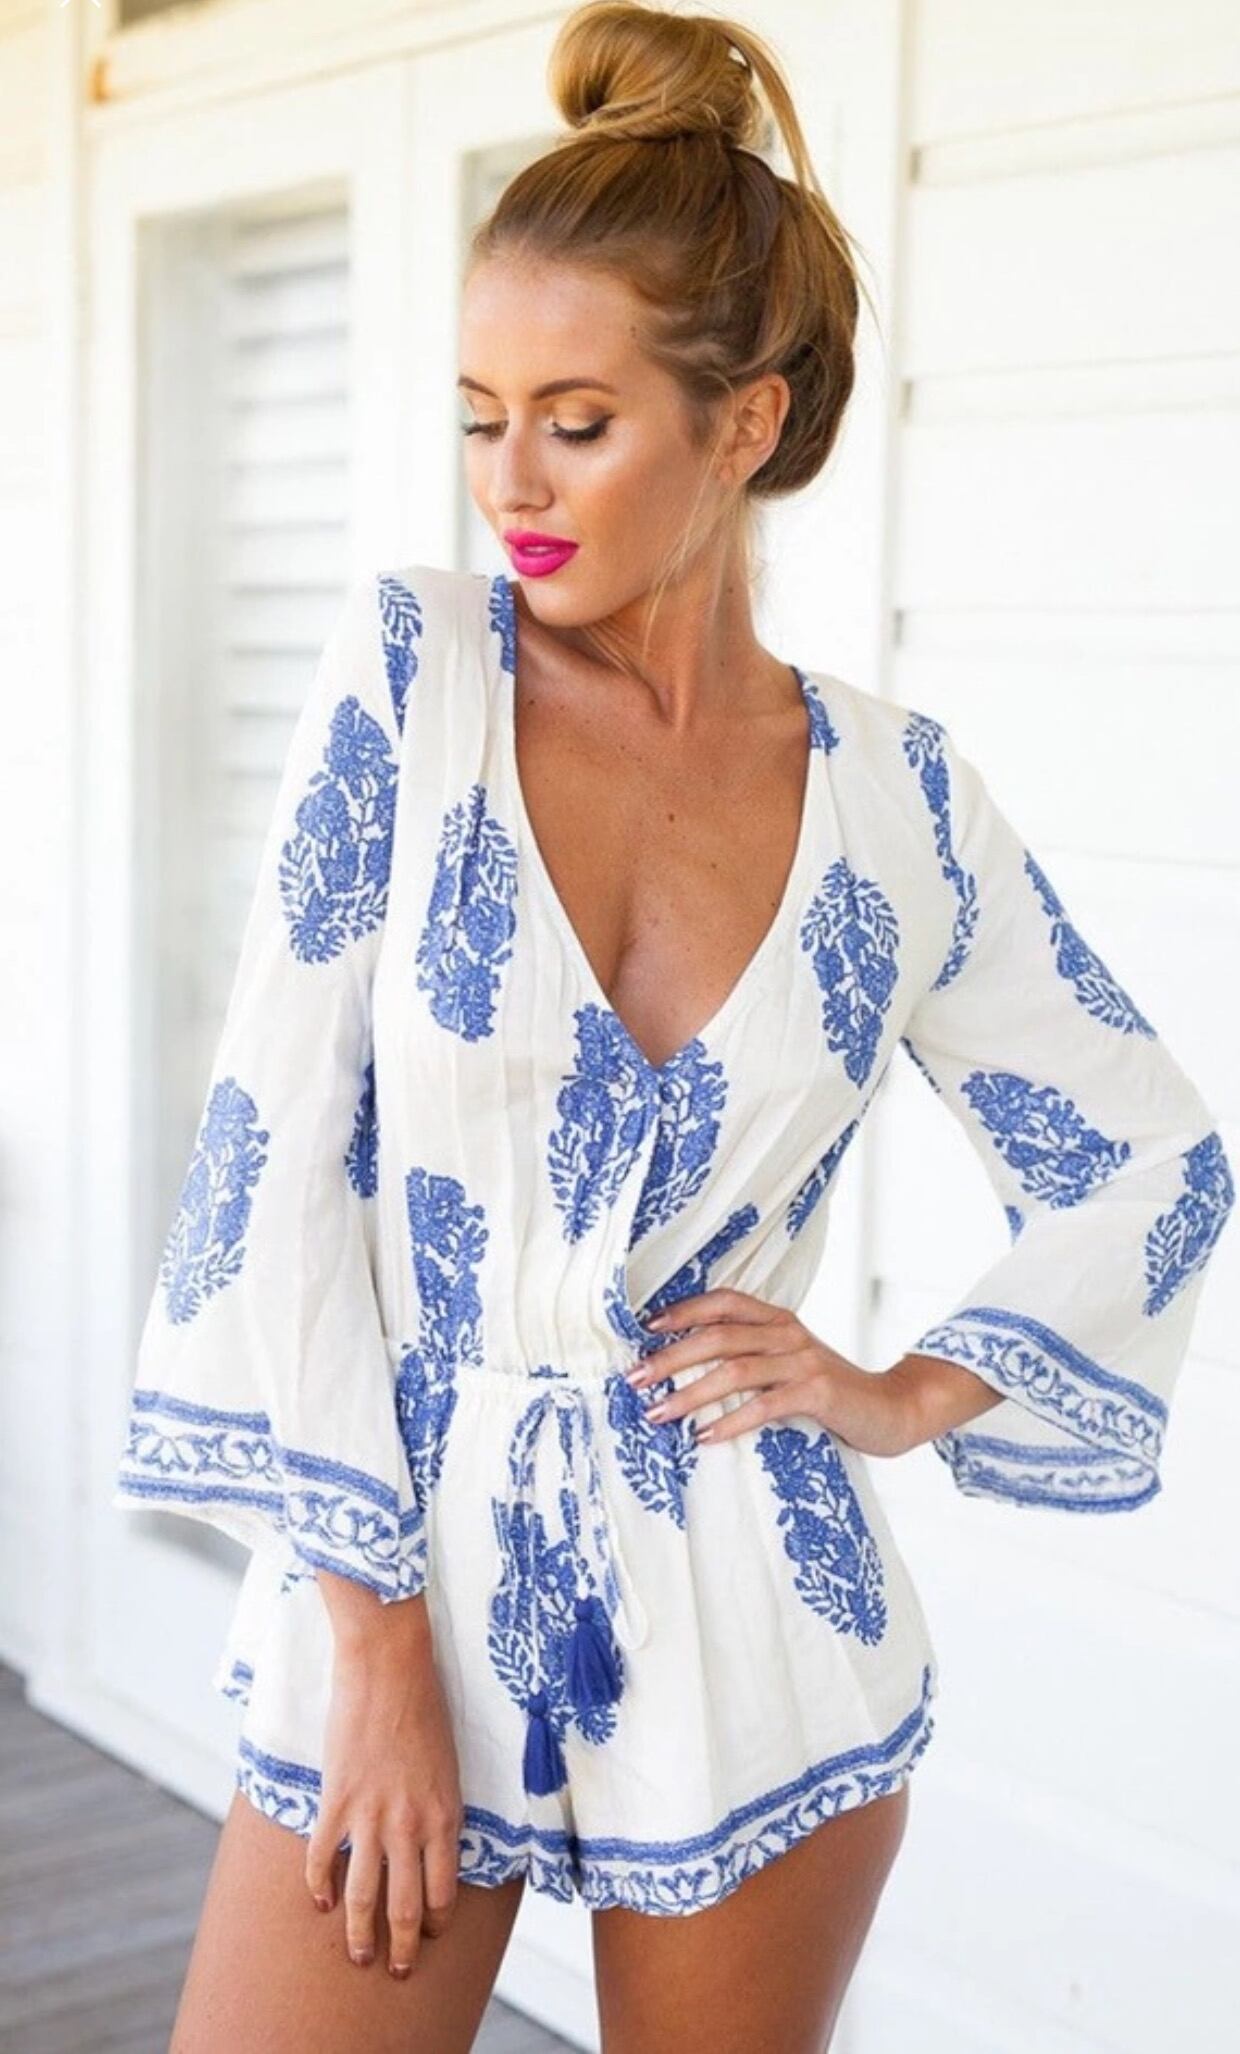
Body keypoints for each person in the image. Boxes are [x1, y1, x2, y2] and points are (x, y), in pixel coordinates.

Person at [112, 5, 1235, 2049]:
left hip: (754, 1609)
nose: (509, 485)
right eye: (480, 417)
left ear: (743, 424)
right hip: (398, 1562)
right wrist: (378, 1654)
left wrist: (900, 1390)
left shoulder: (901, 802)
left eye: (576, 420)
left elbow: (1150, 1153)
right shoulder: (412, 679)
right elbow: (275, 1167)